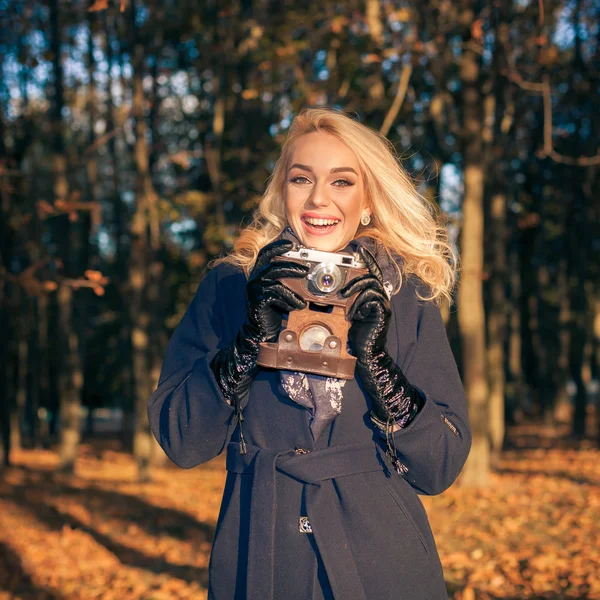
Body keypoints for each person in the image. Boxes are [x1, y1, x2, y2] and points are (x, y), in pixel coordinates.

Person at [148, 107, 472, 600]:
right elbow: (181, 439)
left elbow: (441, 465)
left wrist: (380, 368)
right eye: (302, 178)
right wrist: (247, 341)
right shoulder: (231, 286)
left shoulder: (403, 296)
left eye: (342, 182)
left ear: (368, 201)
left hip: (382, 561)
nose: (319, 197)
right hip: (260, 553)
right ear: (282, 191)